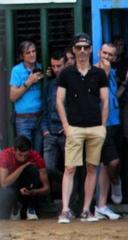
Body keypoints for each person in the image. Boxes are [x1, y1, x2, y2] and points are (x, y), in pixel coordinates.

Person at [55, 33, 109, 224]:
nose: (82, 51)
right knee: (70, 168)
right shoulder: (66, 74)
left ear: (91, 49)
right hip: (75, 127)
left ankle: (86, 209)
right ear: (74, 50)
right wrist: (66, 126)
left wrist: (102, 126)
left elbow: (105, 101)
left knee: (92, 168)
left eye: (86, 47)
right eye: (79, 47)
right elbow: (59, 101)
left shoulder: (99, 73)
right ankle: (65, 209)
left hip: (95, 127)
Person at [93, 43, 124, 219]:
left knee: (110, 164)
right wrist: (103, 73)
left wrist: (125, 84)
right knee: (110, 162)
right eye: (104, 53)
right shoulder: (94, 72)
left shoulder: (112, 73)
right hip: (100, 123)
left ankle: (102, 204)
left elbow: (112, 96)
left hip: (115, 121)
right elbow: (97, 94)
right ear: (99, 53)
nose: (107, 57)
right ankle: (113, 186)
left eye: (110, 55)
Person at [0, 137, 51, 220]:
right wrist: (23, 166)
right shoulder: (5, 155)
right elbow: (4, 183)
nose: (23, 158)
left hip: (29, 191)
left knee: (32, 169)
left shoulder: (35, 156)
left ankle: (30, 209)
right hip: (11, 189)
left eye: (26, 155)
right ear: (14, 151)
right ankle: (15, 207)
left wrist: (33, 192)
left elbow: (47, 188)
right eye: (20, 155)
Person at [40, 53, 68, 189]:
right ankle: (66, 183)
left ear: (65, 64)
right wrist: (45, 130)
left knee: (72, 168)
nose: (56, 69)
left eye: (59, 66)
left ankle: (72, 200)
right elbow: (44, 109)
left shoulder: (71, 83)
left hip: (66, 132)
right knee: (48, 168)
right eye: (54, 66)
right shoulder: (49, 86)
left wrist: (69, 126)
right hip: (50, 132)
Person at [9, 41, 46, 144]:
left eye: (33, 51)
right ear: (22, 56)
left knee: (38, 153)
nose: (32, 54)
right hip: (23, 119)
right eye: (28, 52)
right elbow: (12, 97)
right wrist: (29, 82)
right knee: (24, 152)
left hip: (39, 117)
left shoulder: (40, 67)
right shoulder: (16, 70)